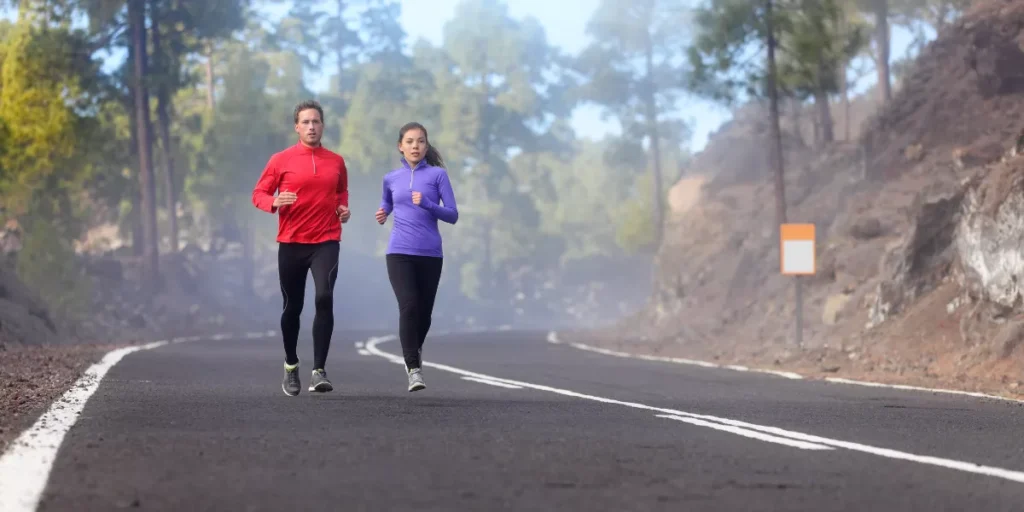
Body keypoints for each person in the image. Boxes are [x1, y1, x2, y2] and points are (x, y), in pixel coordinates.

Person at [252, 100, 351, 397]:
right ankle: (291, 365)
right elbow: (258, 193)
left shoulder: (336, 161)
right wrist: (273, 201)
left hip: (326, 240)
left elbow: (341, 191)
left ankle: (319, 371)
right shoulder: (280, 160)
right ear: (297, 127)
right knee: (292, 307)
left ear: (323, 126)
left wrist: (343, 209)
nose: (311, 127)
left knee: (324, 297)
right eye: (306, 122)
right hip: (292, 242)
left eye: (316, 121)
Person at [376, 122, 459, 392]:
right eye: (410, 141)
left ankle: (414, 348)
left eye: (421, 141)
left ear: (426, 145)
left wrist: (428, 204)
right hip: (399, 252)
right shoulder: (391, 178)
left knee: (424, 314)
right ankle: (413, 368)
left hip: (430, 253)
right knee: (409, 305)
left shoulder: (438, 176)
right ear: (400, 146)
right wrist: (383, 212)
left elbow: (453, 215)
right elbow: (387, 202)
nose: (415, 146)